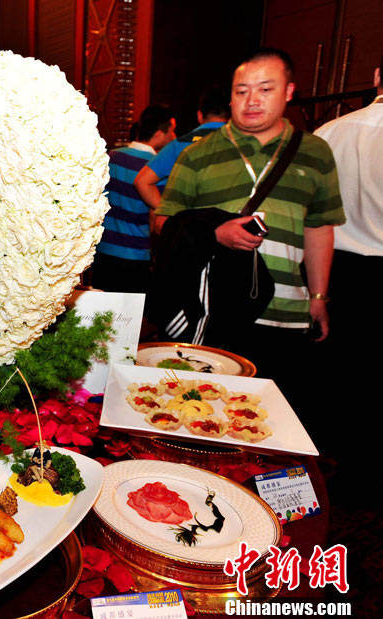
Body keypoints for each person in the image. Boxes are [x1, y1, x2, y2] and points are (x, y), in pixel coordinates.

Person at [155, 49, 344, 420]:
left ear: (289, 91)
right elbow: (165, 222)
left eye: (265, 89)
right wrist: (214, 232)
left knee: (271, 421)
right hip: (213, 311)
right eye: (241, 91)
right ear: (230, 97)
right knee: (203, 415)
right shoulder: (197, 154)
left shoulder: (315, 152)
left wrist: (319, 295)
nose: (252, 100)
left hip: (286, 310)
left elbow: (320, 225)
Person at [313, 55, 383, 488]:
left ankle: (324, 457)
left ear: (376, 76)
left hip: (334, 266)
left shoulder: (329, 132)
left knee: (334, 367)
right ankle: (365, 469)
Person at [90, 104, 177, 293]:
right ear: (159, 134)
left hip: (102, 251)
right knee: (130, 311)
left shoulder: (111, 156)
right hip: (136, 256)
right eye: (172, 131)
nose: (174, 137)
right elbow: (155, 217)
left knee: (100, 309)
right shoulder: (157, 170)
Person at [134, 86, 230, 230]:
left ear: (199, 115)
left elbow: (142, 181)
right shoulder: (240, 144)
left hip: (191, 230)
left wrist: (173, 215)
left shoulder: (179, 144)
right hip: (229, 226)